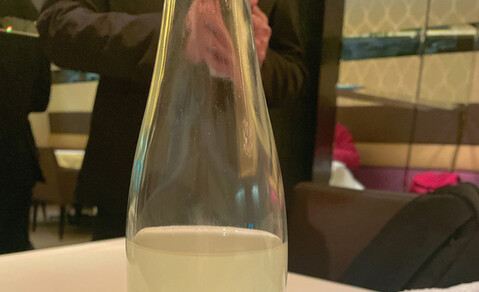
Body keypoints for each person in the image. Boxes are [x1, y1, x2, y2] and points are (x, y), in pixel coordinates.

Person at [37, 0, 306, 240]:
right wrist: (176, 34)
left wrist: (254, 62)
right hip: (130, 186)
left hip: (241, 194)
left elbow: (293, 72)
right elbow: (57, 25)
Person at [0, 27, 51, 253]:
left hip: (15, 145)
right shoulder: (30, 30)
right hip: (17, 147)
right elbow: (40, 101)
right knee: (13, 240)